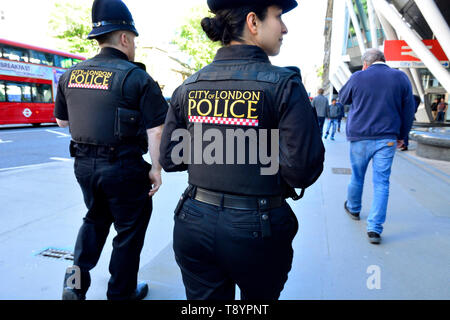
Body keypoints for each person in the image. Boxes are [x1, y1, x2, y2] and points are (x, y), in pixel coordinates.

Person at [159, 0, 324, 300]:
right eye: (278, 17)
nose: (284, 28)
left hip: (193, 220)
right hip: (256, 228)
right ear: (253, 22)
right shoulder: (284, 85)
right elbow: (302, 170)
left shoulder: (190, 85)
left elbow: (170, 158)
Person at [54, 0, 168, 300]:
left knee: (94, 219)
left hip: (84, 167)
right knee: (128, 233)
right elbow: (156, 129)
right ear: (125, 38)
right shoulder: (137, 77)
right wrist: (156, 169)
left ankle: (74, 285)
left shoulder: (70, 75)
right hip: (124, 168)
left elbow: (62, 120)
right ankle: (121, 294)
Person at [339, 48, 415, 244]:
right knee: (382, 183)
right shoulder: (400, 77)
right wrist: (402, 136)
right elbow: (409, 109)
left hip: (360, 136)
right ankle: (374, 229)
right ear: (383, 60)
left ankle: (354, 208)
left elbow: (342, 99)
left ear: (366, 63)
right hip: (387, 138)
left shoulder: (358, 76)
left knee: (357, 176)